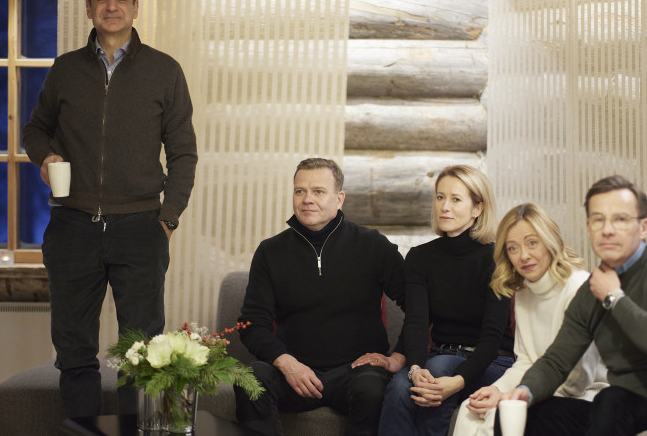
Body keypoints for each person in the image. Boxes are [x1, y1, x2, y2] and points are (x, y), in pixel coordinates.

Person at [22, 0, 197, 418]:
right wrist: (45, 157)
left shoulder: (164, 71)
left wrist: (167, 220)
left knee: (140, 354)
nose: (111, 6)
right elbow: (35, 129)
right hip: (72, 227)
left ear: (136, 7)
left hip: (140, 228)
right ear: (88, 8)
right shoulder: (65, 70)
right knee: (74, 351)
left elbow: (184, 154)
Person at [499, 175, 647, 435]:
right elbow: (557, 360)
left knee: (613, 399)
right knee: (516, 411)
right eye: (598, 220)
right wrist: (525, 391)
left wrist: (613, 297)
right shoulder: (592, 289)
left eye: (620, 219)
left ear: (643, 227)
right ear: (589, 228)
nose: (607, 230)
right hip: (619, 411)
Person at [234, 157, 406, 436]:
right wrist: (287, 364)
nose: (307, 200)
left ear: (339, 199)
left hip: (356, 373)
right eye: (300, 191)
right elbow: (252, 324)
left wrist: (397, 357)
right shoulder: (270, 252)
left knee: (372, 387)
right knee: (250, 378)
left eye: (318, 191)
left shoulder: (373, 245)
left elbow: (418, 306)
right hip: (295, 373)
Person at [377, 165, 515, 436]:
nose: (445, 206)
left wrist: (459, 381)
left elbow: (492, 338)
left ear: (477, 208)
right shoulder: (419, 258)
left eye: (456, 199)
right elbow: (417, 322)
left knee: (439, 370)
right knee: (399, 388)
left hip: (492, 361)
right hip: (439, 356)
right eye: (440, 197)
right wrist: (415, 368)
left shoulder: (497, 259)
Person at [451, 203, 607, 436]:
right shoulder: (524, 292)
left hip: (586, 396)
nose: (523, 255)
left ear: (549, 241)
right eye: (513, 248)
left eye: (532, 243)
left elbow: (577, 381)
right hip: (539, 389)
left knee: (501, 415)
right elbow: (525, 360)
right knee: (468, 410)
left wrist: (511, 397)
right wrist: (497, 390)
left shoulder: (578, 288)